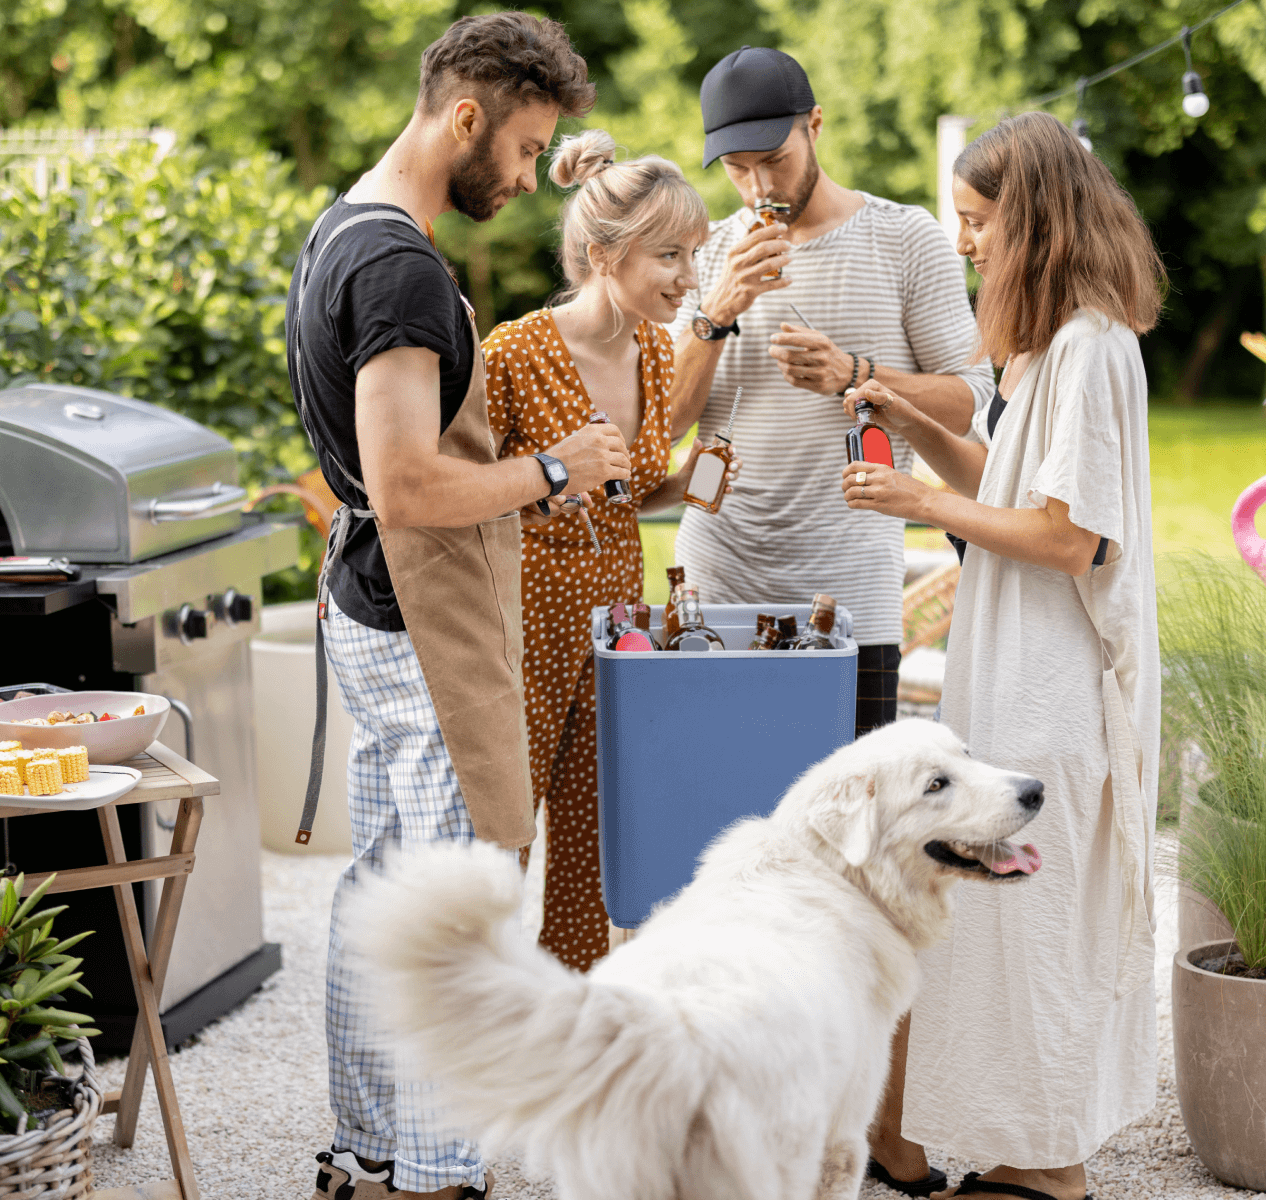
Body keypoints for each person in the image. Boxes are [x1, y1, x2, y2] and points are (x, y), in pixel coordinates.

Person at [283, 14, 620, 1200]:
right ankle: (435, 1177)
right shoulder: (401, 269)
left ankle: (370, 1154)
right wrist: (557, 468)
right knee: (453, 907)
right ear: (466, 116)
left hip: (370, 606)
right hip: (419, 619)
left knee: (384, 887)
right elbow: (409, 484)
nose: (529, 178)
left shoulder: (345, 226)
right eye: (526, 149)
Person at [841, 111, 1164, 1200]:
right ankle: (1021, 1153)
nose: (966, 242)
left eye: (978, 222)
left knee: (1037, 932)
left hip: (1054, 688)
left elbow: (1073, 535)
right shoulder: (1051, 348)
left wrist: (918, 498)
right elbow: (1010, 491)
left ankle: (1048, 1170)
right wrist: (903, 411)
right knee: (1008, 930)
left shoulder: (1091, 347)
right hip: (1016, 678)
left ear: (1031, 220)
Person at [665, 46, 994, 737]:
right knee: (721, 808)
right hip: (716, 583)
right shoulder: (705, 256)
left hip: (849, 593)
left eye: (774, 161)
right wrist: (717, 310)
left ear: (814, 124)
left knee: (851, 822)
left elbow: (970, 397)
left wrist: (855, 373)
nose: (757, 187)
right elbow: (664, 427)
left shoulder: (905, 238)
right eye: (736, 169)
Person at [484, 130, 734, 973]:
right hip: (521, 632)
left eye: (693, 255)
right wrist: (552, 474)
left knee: (595, 842)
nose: (688, 278)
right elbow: (469, 497)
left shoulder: (657, 356)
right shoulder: (514, 353)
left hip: (617, 628)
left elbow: (626, 493)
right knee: (500, 840)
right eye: (670, 254)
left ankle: (573, 1023)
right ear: (602, 255)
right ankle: (478, 1028)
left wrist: (687, 481)